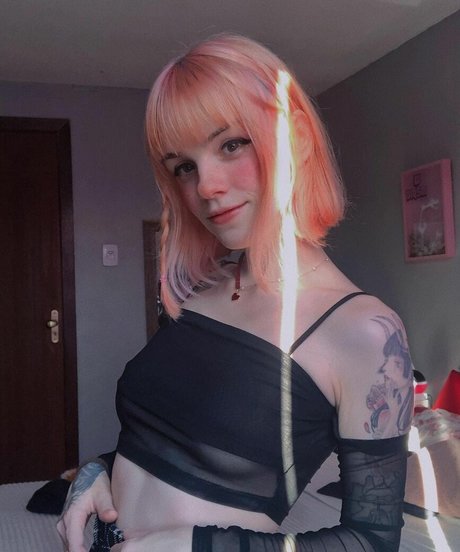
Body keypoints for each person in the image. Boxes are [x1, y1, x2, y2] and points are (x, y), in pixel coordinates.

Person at [57, 33, 413, 552]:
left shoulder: (365, 332)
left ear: (296, 140)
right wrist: (96, 472)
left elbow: (372, 541)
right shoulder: (197, 291)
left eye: (231, 144)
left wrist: (202, 545)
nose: (206, 186)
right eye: (184, 167)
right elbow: (174, 445)